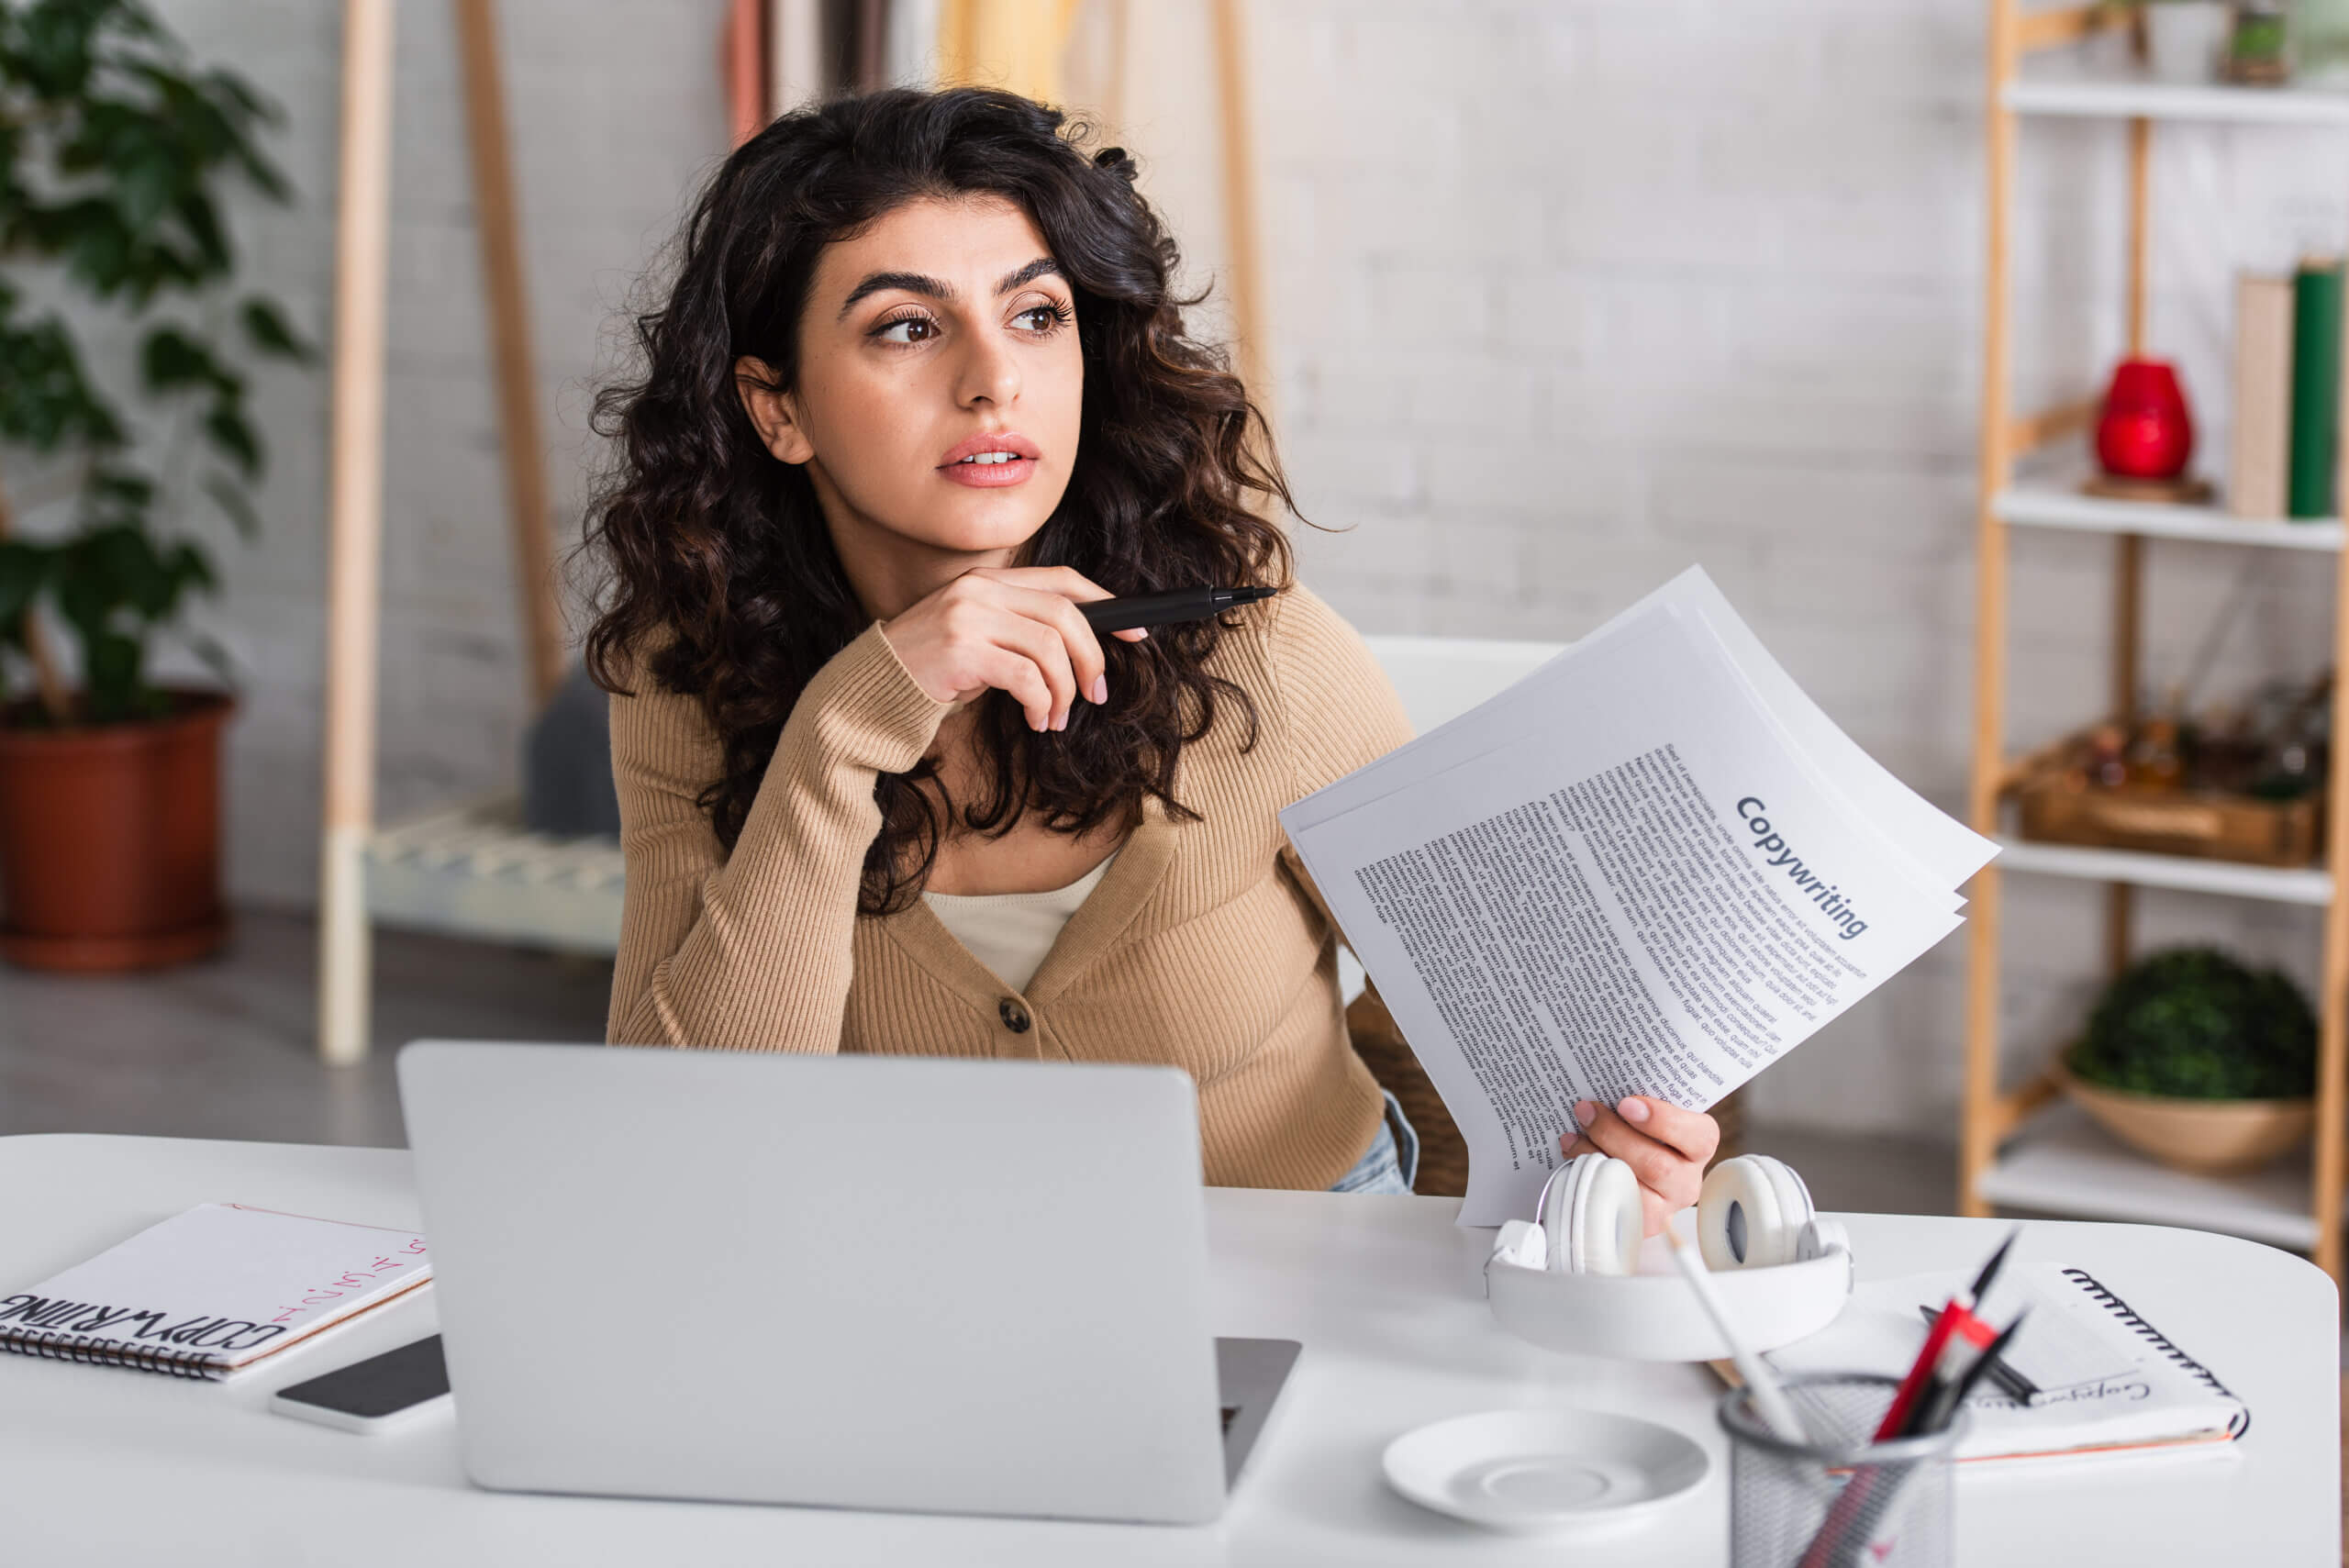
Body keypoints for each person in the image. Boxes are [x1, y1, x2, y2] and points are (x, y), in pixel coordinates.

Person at [582, 86, 1716, 1221]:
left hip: (1297, 1259)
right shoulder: (689, 671)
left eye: (1036, 315)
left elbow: (1520, 1017)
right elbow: (682, 1142)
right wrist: (844, 726)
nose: (993, 379)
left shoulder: (1257, 653)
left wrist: (1630, 1146)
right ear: (778, 409)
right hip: (922, 1273)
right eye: (907, 327)